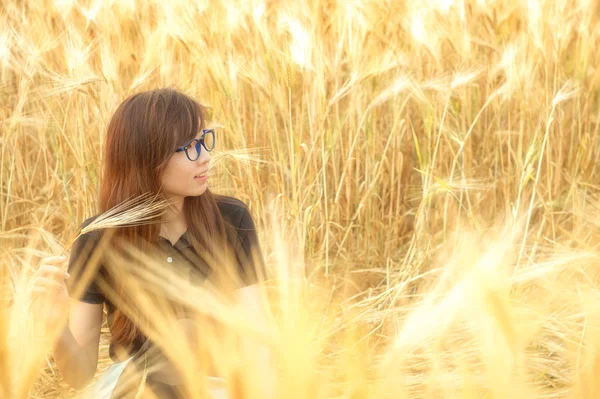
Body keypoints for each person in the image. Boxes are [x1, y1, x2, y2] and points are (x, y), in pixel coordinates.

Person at [29, 88, 267, 398]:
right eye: (190, 147)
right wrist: (54, 324)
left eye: (205, 139)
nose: (206, 157)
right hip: (136, 386)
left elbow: (257, 341)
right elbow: (80, 375)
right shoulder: (98, 239)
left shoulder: (230, 220)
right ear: (147, 159)